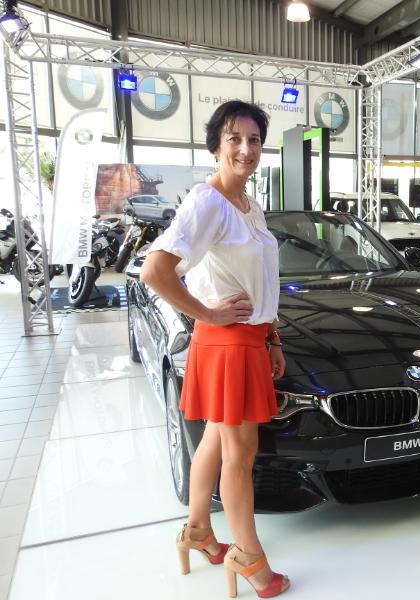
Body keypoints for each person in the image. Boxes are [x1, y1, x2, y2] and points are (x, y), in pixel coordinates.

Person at [141, 100, 290, 599]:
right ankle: (248, 557)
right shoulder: (207, 201)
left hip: (248, 340)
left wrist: (272, 337)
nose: (246, 149)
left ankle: (198, 531)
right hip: (227, 343)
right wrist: (205, 313)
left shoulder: (248, 204)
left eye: (254, 140)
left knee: (213, 441)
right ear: (215, 147)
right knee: (239, 455)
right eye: (234, 139)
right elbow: (155, 270)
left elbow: (262, 279)